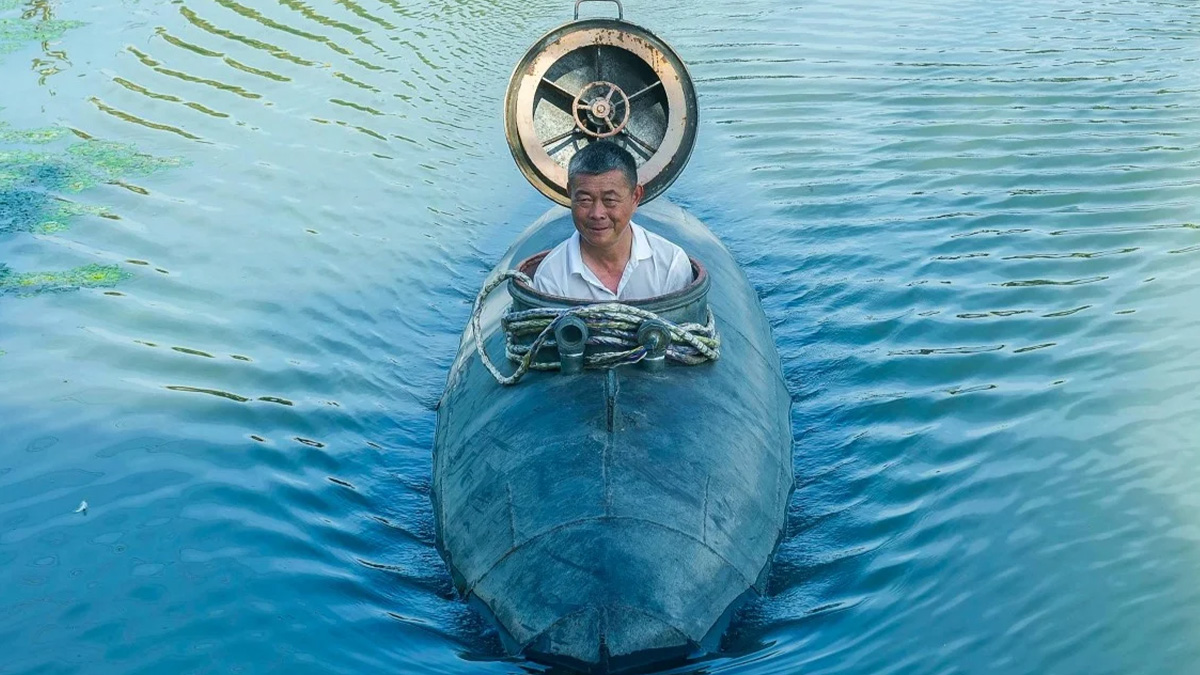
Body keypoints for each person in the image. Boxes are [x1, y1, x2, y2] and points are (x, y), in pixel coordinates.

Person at [532, 142, 693, 301]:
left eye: (610, 200)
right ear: (570, 194)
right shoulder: (551, 276)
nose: (597, 214)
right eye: (585, 200)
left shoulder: (671, 264)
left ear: (635, 196)